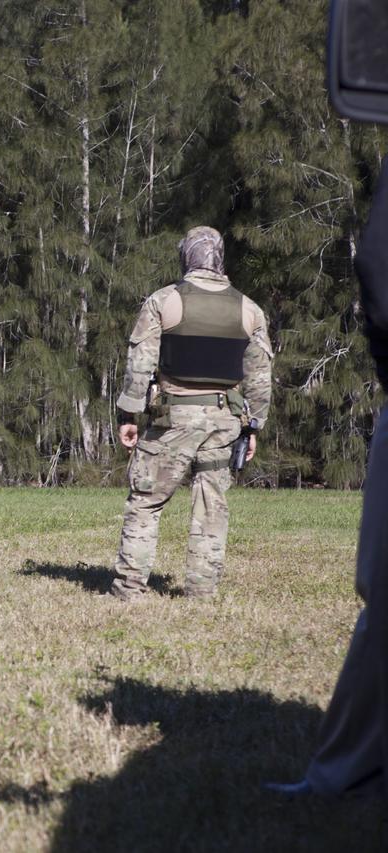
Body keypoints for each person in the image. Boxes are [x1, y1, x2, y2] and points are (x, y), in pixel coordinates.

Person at [266, 160, 388, 799]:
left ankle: (346, 774)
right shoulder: (239, 307)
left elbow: (378, 266)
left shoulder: (167, 302)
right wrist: (250, 422)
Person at [110, 226, 273, 599]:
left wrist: (128, 415)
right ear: (220, 258)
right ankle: (201, 591)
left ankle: (129, 588)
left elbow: (140, 365)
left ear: (185, 257)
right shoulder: (249, 309)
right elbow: (260, 378)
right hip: (224, 423)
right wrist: (253, 428)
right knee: (211, 506)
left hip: (173, 421)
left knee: (146, 501)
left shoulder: (163, 301)